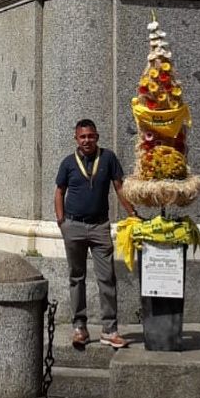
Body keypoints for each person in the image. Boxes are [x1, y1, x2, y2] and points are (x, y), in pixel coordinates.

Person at [55, 118, 137, 349]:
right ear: (76, 139)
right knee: (76, 277)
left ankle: (109, 330)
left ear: (97, 137)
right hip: (74, 226)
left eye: (90, 136)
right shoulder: (68, 162)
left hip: (100, 227)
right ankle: (79, 328)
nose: (87, 140)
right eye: (82, 137)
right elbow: (59, 191)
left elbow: (119, 187)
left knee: (107, 278)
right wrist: (61, 221)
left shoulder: (108, 158)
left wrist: (133, 213)